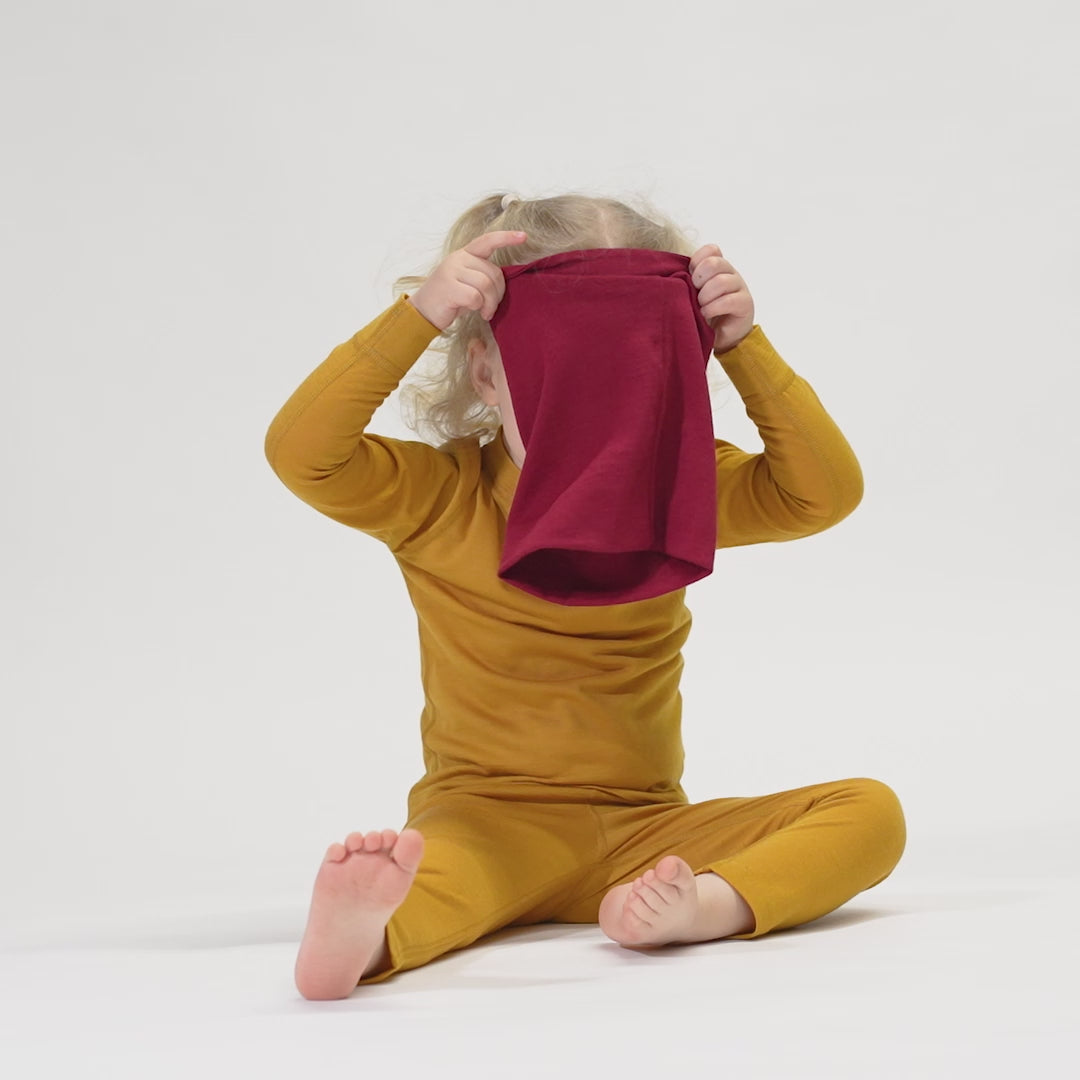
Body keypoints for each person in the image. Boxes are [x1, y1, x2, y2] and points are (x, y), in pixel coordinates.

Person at [263, 191, 906, 1001]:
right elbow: (302, 455)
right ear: (487, 377)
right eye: (565, 391)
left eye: (628, 392)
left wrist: (745, 346)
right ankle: (364, 939)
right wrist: (418, 315)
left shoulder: (679, 489)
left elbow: (822, 495)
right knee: (432, 876)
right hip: (489, 821)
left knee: (870, 813)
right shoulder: (437, 495)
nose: (594, 429)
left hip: (646, 830)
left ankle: (706, 908)